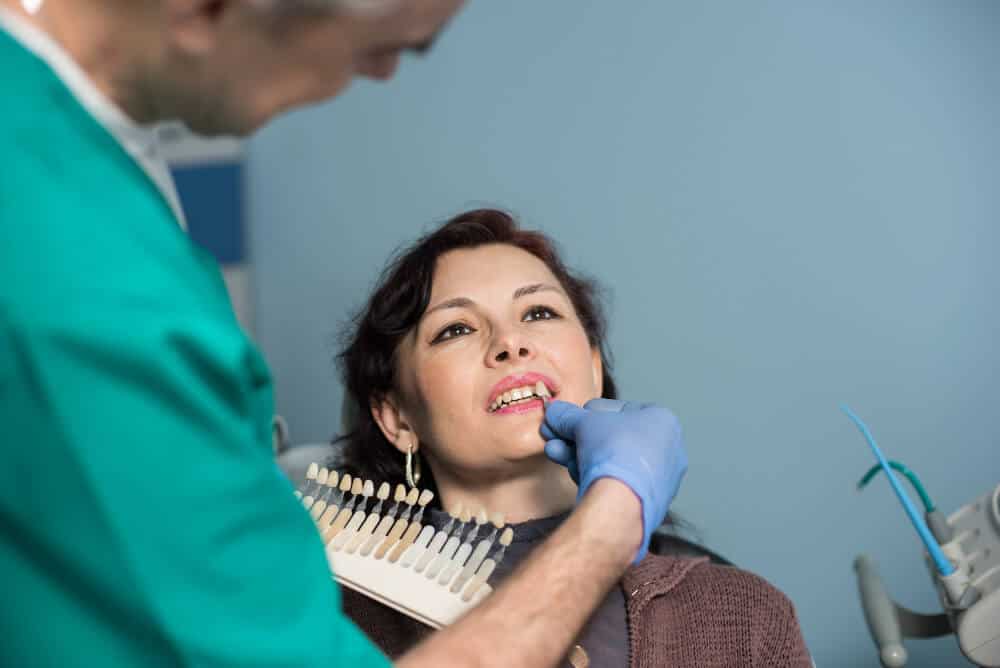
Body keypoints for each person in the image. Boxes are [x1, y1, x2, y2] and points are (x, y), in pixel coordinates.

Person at [0, 1, 688, 666]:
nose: (381, 76)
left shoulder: (91, 173)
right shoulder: (91, 289)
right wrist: (611, 520)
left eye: (539, 312)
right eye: (383, 47)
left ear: (596, 366)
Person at [332, 209, 812, 667]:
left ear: (594, 368)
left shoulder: (747, 617)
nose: (510, 342)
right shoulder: (327, 618)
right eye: (456, 328)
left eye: (539, 313)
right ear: (396, 418)